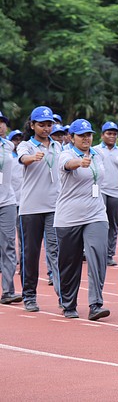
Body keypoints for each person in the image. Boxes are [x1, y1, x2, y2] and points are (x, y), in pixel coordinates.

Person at [55, 119, 110, 320]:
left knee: (97, 255)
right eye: (81, 135)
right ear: (72, 137)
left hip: (96, 213)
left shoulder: (98, 154)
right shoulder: (66, 154)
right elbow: (67, 165)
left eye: (89, 135)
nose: (86, 138)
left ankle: (96, 304)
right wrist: (79, 162)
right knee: (70, 262)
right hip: (69, 217)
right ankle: (68, 303)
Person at [17, 106, 63, 312]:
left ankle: (64, 296)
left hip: (55, 206)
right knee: (31, 253)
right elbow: (23, 158)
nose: (46, 128)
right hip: (31, 208)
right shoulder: (26, 145)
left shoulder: (58, 146)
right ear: (32, 125)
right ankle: (29, 295)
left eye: (49, 124)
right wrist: (32, 157)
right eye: (41, 125)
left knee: (56, 251)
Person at [95, 121, 118, 266]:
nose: (112, 136)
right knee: (99, 222)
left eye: (114, 134)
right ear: (102, 135)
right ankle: (96, 252)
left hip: (116, 192)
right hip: (100, 190)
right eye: (109, 133)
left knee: (113, 224)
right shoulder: (95, 150)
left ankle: (108, 254)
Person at [0, 129, 20, 305]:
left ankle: (8, 291)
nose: (0, 126)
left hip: (7, 201)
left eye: (2, 123)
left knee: (8, 245)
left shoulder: (8, 145)